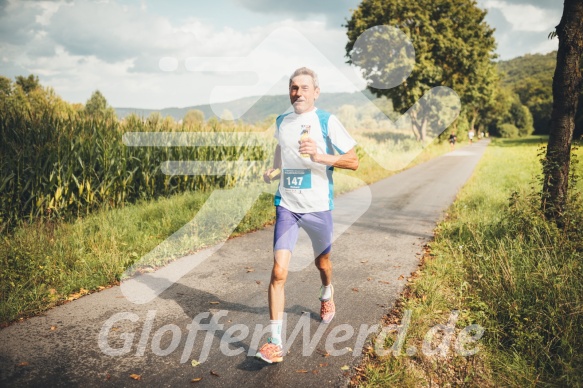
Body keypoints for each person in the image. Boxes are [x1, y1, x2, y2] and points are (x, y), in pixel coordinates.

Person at [256, 67, 359, 363]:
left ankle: (327, 292)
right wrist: (275, 168)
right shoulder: (282, 121)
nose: (297, 92)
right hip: (287, 205)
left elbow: (353, 161)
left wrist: (321, 156)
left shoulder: (326, 121)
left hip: (318, 207)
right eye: (293, 87)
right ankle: (274, 341)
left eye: (303, 88)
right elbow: (281, 146)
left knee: (322, 262)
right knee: (278, 272)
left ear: (315, 92)